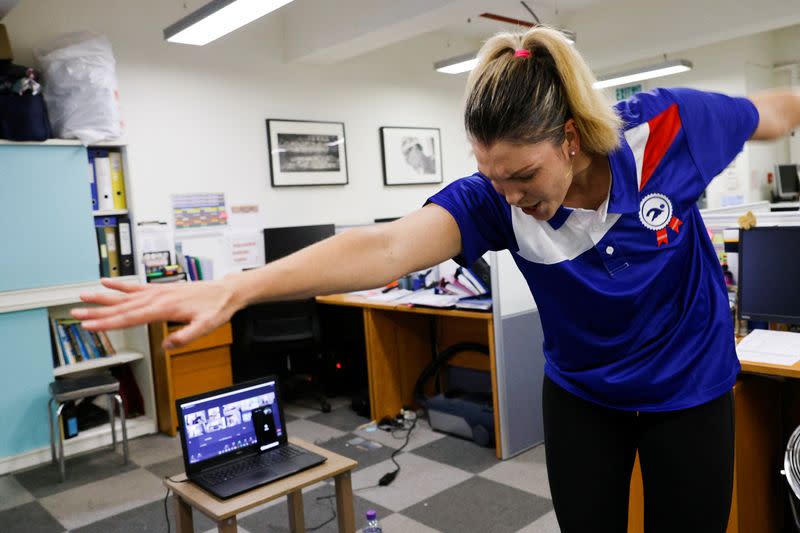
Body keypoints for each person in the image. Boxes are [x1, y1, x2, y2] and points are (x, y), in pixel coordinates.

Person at [72, 26, 800, 532]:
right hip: (584, 393)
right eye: (492, 176)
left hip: (690, 388)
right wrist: (239, 285)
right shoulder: (492, 200)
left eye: (523, 173)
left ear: (571, 138)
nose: (508, 195)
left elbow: (769, 112)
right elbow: (386, 246)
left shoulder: (670, 129)